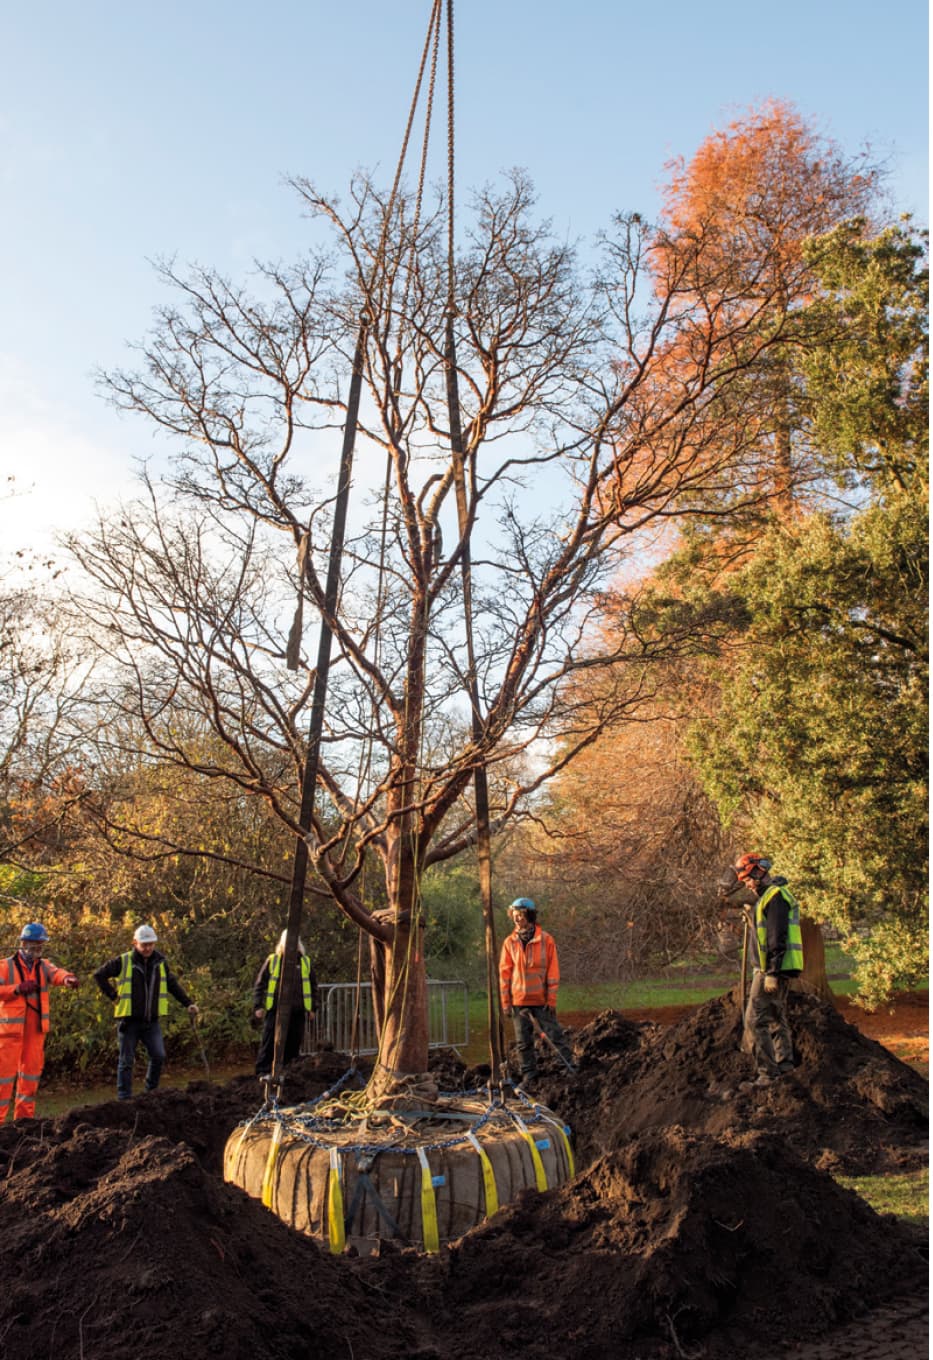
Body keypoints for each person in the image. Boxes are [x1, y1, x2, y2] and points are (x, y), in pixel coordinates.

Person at [93, 924, 198, 1100]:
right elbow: (99, 975)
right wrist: (112, 995)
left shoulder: (160, 963)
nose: (148, 948)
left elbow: (172, 985)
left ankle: (151, 1093)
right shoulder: (124, 961)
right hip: (128, 1021)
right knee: (126, 1062)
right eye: (144, 944)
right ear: (135, 943)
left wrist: (188, 1003)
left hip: (151, 1021)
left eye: (151, 944)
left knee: (158, 1055)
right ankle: (124, 1098)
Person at [732, 853, 804, 1089]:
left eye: (748, 880)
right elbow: (765, 933)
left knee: (754, 1020)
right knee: (775, 1017)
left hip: (772, 970)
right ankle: (784, 1067)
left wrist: (771, 972)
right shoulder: (771, 897)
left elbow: (776, 937)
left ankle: (768, 1074)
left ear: (757, 873)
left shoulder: (774, 898)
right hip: (774, 968)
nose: (747, 885)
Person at [0, 922, 79, 1122]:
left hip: (34, 1031)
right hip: (9, 1032)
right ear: (24, 943)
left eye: (41, 944)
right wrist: (17, 989)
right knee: (3, 1079)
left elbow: (57, 973)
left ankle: (24, 1124)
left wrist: (68, 979)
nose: (39, 948)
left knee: (30, 1078)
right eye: (36, 944)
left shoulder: (43, 965)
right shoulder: (5, 966)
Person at [499, 897, 576, 1087]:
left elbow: (553, 971)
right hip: (518, 1002)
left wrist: (551, 999)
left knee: (554, 1034)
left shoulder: (546, 940)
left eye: (521, 916)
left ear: (530, 916)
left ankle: (566, 1067)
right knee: (523, 1042)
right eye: (515, 916)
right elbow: (504, 974)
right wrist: (506, 1003)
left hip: (542, 1001)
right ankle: (529, 1075)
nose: (517, 919)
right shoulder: (509, 943)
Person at [253, 930, 318, 1079]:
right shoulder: (274, 960)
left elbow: (313, 986)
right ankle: (263, 1071)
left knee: (293, 1042)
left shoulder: (304, 962)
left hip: (297, 1010)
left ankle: (289, 1070)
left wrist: (313, 1008)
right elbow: (260, 983)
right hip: (275, 1009)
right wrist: (258, 1005)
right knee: (270, 1041)